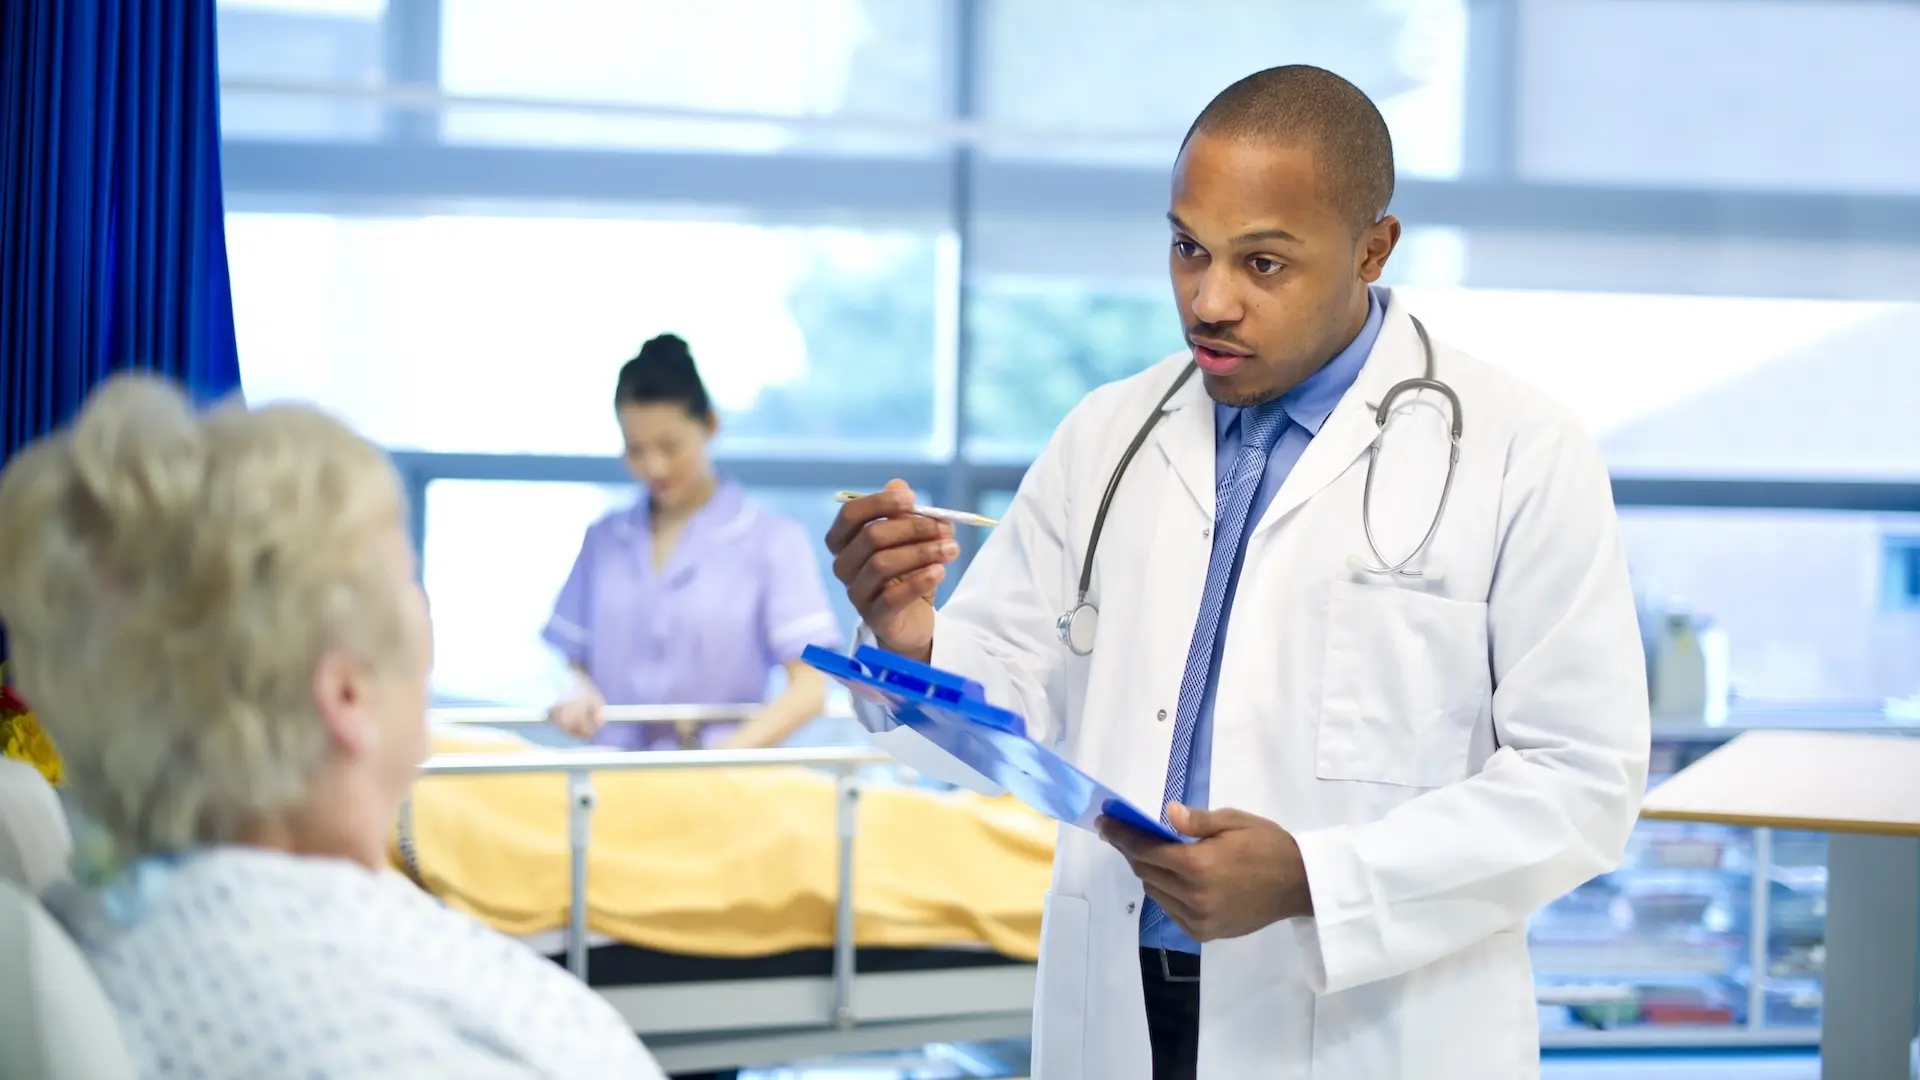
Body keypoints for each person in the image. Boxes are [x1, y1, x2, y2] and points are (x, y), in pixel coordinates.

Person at [826, 66, 1650, 1080]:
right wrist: (910, 633)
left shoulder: (1518, 450)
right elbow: (1005, 709)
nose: (1208, 301)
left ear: (1373, 246)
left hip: (1370, 1024)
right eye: (1187, 250)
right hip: (1122, 1011)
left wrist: (1313, 878)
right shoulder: (1108, 435)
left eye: (1263, 264)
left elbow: (1582, 783)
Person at [0, 375, 666, 1079]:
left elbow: (802, 659)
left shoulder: (110, 919)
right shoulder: (376, 1040)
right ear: (347, 693)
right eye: (408, 577)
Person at [545, 334, 839, 751]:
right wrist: (574, 688)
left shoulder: (772, 542)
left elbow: (810, 687)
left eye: (670, 447)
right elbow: (568, 657)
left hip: (718, 785)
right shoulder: (604, 539)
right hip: (611, 777)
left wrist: (722, 760)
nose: (654, 466)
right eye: (636, 450)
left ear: (710, 426)